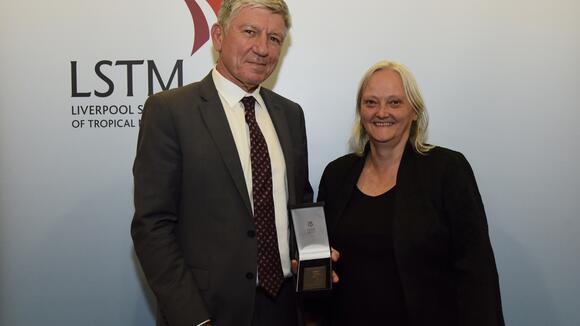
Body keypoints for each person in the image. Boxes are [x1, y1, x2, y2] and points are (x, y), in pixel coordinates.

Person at [130, 1, 313, 326]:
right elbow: (152, 227)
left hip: (285, 308)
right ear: (218, 36)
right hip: (208, 311)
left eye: (274, 38)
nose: (262, 48)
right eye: (250, 32)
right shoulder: (171, 111)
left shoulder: (290, 114)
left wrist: (314, 255)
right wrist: (194, 319)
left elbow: (300, 202)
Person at [317, 60, 505, 325]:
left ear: (415, 111)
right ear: (361, 111)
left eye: (394, 102)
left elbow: (477, 272)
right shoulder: (336, 175)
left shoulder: (447, 170)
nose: (382, 112)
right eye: (371, 102)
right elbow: (323, 261)